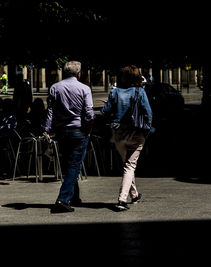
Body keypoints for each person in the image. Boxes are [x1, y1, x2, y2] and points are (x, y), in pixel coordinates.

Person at [43, 61, 95, 213]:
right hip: (79, 130)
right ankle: (63, 199)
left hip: (61, 131)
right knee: (74, 165)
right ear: (79, 73)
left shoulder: (54, 88)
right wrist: (89, 128)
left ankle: (74, 197)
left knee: (68, 164)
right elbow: (89, 113)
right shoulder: (84, 89)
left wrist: (47, 129)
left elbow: (50, 111)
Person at [101, 65, 153, 211]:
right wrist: (147, 131)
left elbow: (105, 112)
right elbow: (148, 113)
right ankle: (122, 200)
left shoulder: (115, 92)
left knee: (127, 165)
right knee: (130, 166)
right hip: (136, 132)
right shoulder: (140, 92)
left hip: (118, 133)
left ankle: (134, 195)